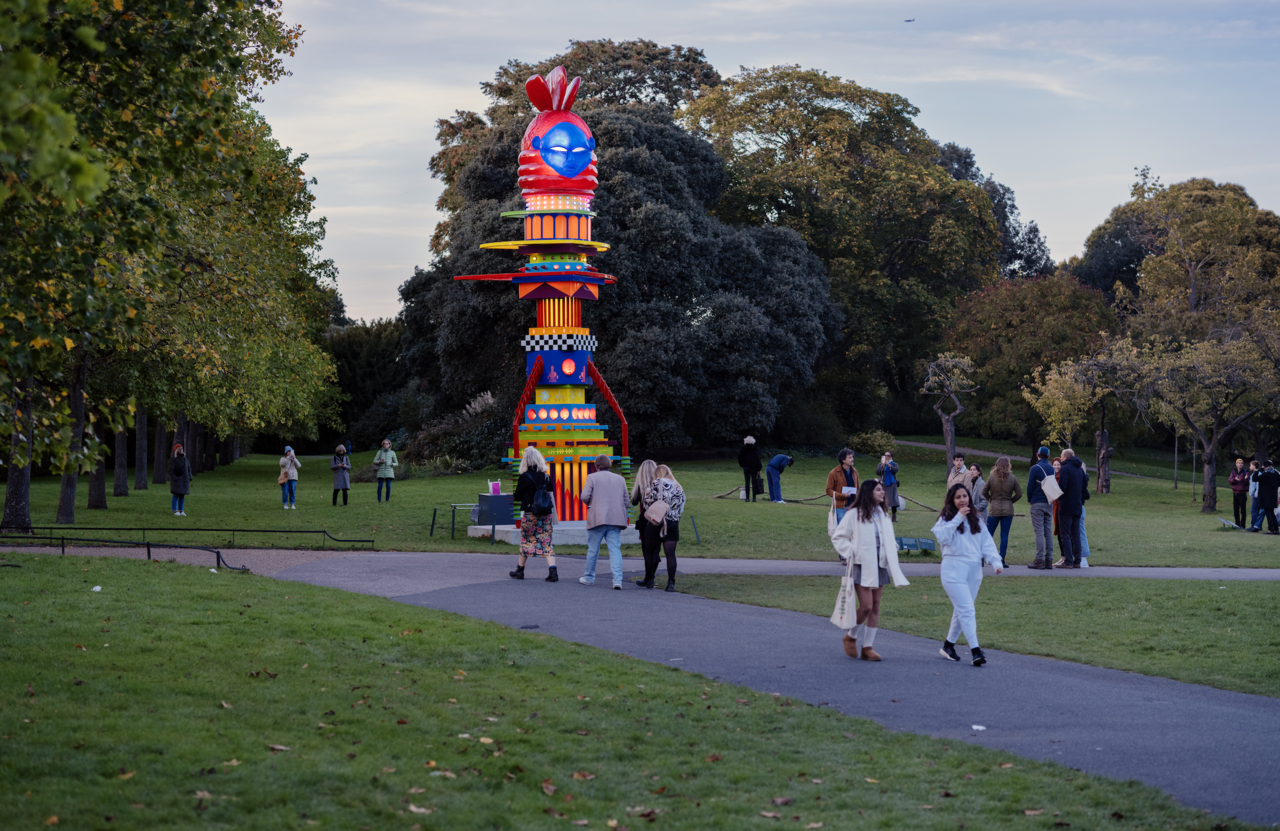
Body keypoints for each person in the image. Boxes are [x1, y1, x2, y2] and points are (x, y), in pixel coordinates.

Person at [830, 479, 909, 661]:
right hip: (861, 564)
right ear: (868, 492)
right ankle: (850, 636)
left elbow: (888, 537)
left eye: (882, 490)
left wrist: (892, 548)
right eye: (879, 490)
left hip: (879, 564)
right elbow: (838, 537)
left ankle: (868, 647)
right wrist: (852, 552)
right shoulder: (854, 514)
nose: (883, 493)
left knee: (875, 606)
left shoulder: (883, 515)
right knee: (866, 606)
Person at [932, 482, 1004, 667]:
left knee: (962, 609)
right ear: (952, 500)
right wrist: (957, 518)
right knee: (967, 609)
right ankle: (975, 651)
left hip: (974, 569)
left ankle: (948, 645)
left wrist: (996, 561)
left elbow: (986, 542)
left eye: (965, 496)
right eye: (958, 497)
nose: (962, 500)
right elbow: (943, 537)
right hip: (953, 569)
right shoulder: (946, 519)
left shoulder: (977, 518)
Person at [579, 455, 630, 589]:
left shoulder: (592, 477)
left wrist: (591, 503)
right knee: (615, 550)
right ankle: (617, 580)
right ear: (609, 464)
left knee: (593, 550)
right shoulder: (620, 479)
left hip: (597, 518)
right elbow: (626, 501)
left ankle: (589, 578)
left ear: (596, 465)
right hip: (615, 519)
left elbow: (584, 496)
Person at [510, 446, 559, 581]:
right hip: (546, 514)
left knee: (526, 539)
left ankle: (520, 571)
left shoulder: (524, 477)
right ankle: (553, 571)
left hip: (530, 513)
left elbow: (518, 497)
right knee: (547, 541)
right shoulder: (546, 476)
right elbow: (550, 494)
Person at [646, 464, 686, 592]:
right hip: (672, 522)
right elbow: (682, 507)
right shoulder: (678, 486)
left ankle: (650, 579)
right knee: (670, 554)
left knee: (650, 551)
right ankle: (670, 583)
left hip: (657, 521)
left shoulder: (657, 482)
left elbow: (649, 500)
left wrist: (647, 493)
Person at [981, 457, 1020, 567]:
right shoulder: (1012, 478)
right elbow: (1019, 494)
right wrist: (1010, 501)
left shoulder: (991, 477)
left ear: (997, 464)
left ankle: (981, 557)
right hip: (1008, 510)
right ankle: (1001, 559)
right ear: (1008, 465)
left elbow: (984, 491)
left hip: (994, 509)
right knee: (1004, 535)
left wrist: (991, 499)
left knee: (988, 534)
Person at [1054, 448, 1089, 568]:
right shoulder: (1080, 469)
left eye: (1061, 456)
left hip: (1066, 505)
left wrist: (1056, 493)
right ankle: (1077, 560)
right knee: (1075, 534)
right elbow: (1084, 487)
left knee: (1065, 534)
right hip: (1077, 505)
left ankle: (1068, 560)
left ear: (1065, 457)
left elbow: (1062, 487)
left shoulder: (1065, 468)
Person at [630, 460, 661, 588]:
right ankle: (652, 576)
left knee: (647, 551)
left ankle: (648, 579)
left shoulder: (640, 486)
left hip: (645, 520)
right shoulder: (661, 485)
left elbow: (634, 502)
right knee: (656, 551)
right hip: (658, 519)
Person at [1026, 447, 1056, 569]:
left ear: (1038, 454)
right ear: (1048, 456)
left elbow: (1030, 487)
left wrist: (1030, 499)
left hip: (1037, 502)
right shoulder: (1052, 469)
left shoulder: (1035, 468)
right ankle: (1049, 560)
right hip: (1049, 502)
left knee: (1039, 531)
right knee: (1048, 531)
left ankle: (1039, 560)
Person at [825, 449, 860, 524]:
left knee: (852, 529)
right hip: (840, 506)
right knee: (842, 528)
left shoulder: (855, 471)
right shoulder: (833, 473)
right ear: (843, 460)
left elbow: (858, 489)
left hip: (852, 505)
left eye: (852, 457)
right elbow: (828, 490)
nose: (852, 459)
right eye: (850, 457)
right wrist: (842, 495)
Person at [1250, 460, 1280, 535]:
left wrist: (1257, 471)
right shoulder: (1276, 473)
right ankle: (1276, 529)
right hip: (1273, 495)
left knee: (1268, 512)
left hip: (1266, 496)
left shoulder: (1266, 474)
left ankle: (1271, 529)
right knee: (1272, 512)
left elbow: (1254, 478)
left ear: (1265, 466)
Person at [876, 451, 901, 522]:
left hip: (892, 484)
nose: (886, 457)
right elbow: (877, 472)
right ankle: (883, 516)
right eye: (885, 455)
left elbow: (895, 470)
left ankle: (894, 517)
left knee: (893, 501)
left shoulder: (895, 464)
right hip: (883, 484)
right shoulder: (881, 464)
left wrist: (889, 465)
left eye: (887, 455)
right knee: (883, 500)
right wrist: (881, 466)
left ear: (891, 457)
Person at [169, 443, 192, 516]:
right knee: (175, 495)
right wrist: (175, 478)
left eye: (182, 449)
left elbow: (189, 468)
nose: (181, 450)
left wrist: (190, 476)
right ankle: (175, 510)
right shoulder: (173, 460)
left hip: (184, 480)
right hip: (177, 480)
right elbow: (170, 470)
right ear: (176, 451)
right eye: (180, 449)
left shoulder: (185, 459)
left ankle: (181, 510)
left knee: (182, 496)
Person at [738, 437, 762, 502]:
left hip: (746, 467)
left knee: (747, 482)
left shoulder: (743, 448)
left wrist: (742, 464)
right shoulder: (755, 448)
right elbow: (758, 459)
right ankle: (754, 498)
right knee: (754, 482)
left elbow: (739, 457)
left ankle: (747, 498)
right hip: (754, 468)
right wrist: (759, 468)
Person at [374, 439, 398, 503]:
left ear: (389, 445)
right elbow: (374, 461)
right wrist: (380, 461)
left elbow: (396, 463)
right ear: (382, 445)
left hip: (389, 471)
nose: (385, 445)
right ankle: (379, 500)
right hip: (381, 471)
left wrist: (392, 464)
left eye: (387, 444)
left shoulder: (392, 453)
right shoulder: (379, 452)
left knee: (388, 486)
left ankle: (387, 500)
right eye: (384, 444)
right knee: (380, 486)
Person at [1229, 459, 1251, 528]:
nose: (1240, 464)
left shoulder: (1246, 472)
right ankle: (1237, 524)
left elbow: (1247, 483)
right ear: (1236, 464)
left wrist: (1245, 479)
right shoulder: (1233, 472)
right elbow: (1230, 481)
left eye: (1241, 463)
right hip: (1235, 493)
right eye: (1239, 463)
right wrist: (1234, 479)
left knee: (1243, 510)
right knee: (1236, 510)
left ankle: (1243, 525)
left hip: (1242, 493)